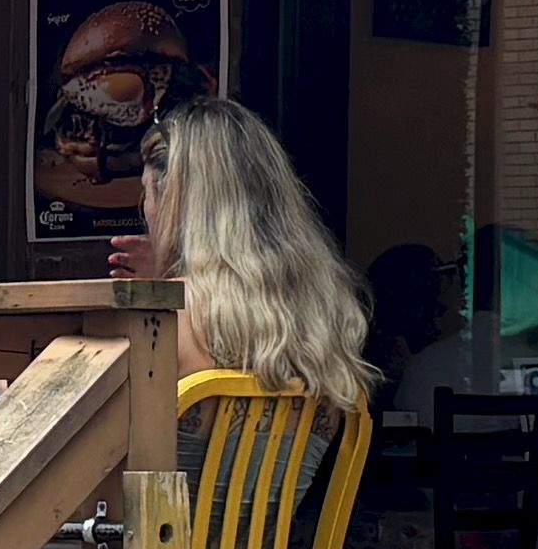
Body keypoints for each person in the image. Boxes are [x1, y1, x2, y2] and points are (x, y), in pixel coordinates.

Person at [145, 96, 378, 413]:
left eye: (144, 193)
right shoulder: (325, 315)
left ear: (173, 201)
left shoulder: (168, 321)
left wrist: (152, 294)